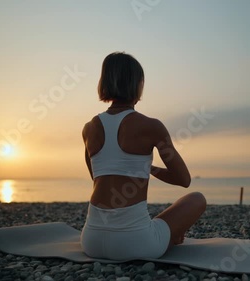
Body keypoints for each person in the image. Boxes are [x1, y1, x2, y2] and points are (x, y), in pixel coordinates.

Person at [80, 52, 206, 260]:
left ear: (104, 83)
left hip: (91, 241)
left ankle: (159, 234)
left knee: (147, 223)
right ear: (137, 84)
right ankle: (168, 237)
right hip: (134, 245)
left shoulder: (89, 129)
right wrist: (151, 168)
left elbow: (97, 179)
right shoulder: (151, 126)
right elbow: (184, 180)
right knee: (196, 199)